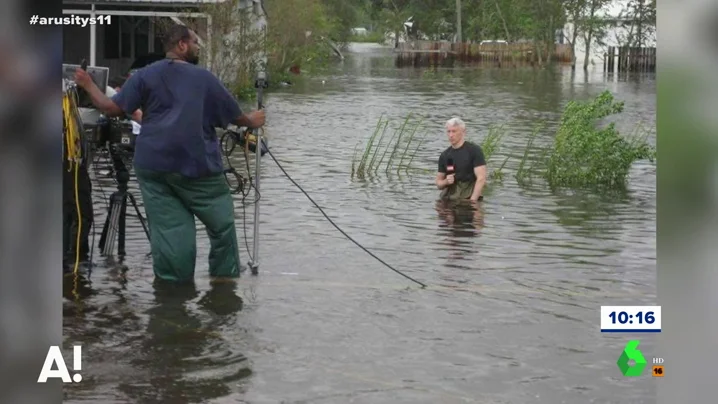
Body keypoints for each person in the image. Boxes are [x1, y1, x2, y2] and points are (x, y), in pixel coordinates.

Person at [72, 25, 266, 283]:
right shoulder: (204, 78)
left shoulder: (143, 76)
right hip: (197, 168)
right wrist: (254, 120)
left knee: (172, 233)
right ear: (182, 45)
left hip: (154, 168)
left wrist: (86, 84)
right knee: (222, 225)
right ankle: (223, 285)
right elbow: (236, 117)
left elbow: (111, 108)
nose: (198, 47)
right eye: (196, 42)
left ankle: (172, 297)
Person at [435, 117, 487, 202]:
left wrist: (473, 202)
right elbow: (438, 183)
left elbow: (481, 178)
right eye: (448, 131)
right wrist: (446, 182)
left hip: (469, 198)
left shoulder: (474, 151)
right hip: (449, 198)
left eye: (454, 131)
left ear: (463, 132)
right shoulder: (445, 155)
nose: (451, 135)